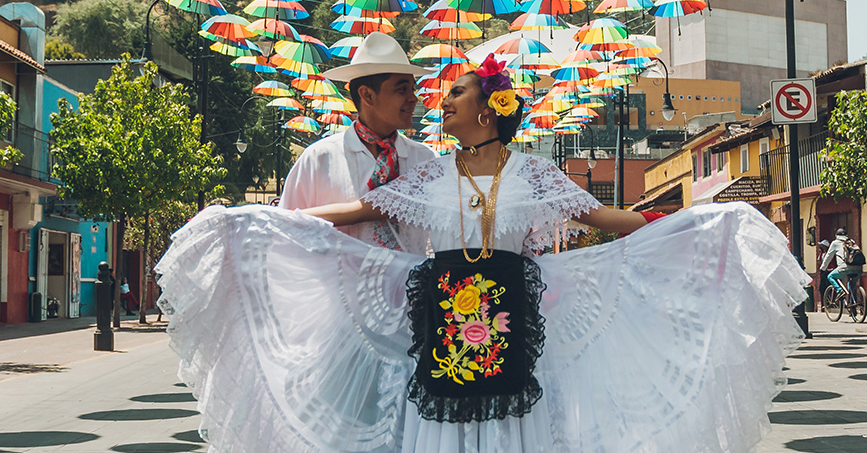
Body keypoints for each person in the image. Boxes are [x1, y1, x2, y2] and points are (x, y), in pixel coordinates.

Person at [157, 55, 809, 453]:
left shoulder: (532, 176)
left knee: (514, 422)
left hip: (512, 324)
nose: (437, 100)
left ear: (490, 112)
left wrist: (706, 222)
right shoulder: (424, 175)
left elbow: (616, 220)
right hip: (441, 326)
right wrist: (248, 222)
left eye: (454, 94)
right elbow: (351, 214)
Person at [278, 32, 436, 250]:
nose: (413, 98)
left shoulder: (426, 162)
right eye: (402, 89)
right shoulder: (320, 159)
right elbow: (284, 230)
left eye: (412, 89)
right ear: (368, 95)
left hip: (409, 283)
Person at [822, 228, 860, 296]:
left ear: (836, 236)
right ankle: (852, 302)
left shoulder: (835, 243)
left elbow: (828, 257)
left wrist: (823, 268)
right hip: (857, 269)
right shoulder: (852, 241)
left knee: (830, 276)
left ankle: (839, 290)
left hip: (844, 268)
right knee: (851, 286)